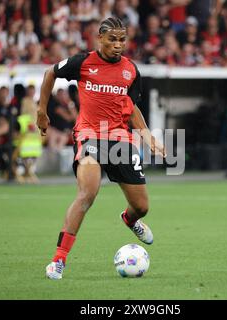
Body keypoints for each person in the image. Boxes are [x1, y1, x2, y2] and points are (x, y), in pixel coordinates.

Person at [36, 17, 165, 280]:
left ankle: (130, 220)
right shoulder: (82, 62)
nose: (118, 45)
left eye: (122, 39)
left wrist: (147, 137)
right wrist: (41, 110)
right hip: (89, 136)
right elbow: (50, 72)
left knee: (141, 207)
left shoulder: (130, 70)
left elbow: (131, 108)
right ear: (100, 39)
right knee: (87, 194)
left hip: (120, 139)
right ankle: (58, 260)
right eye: (112, 39)